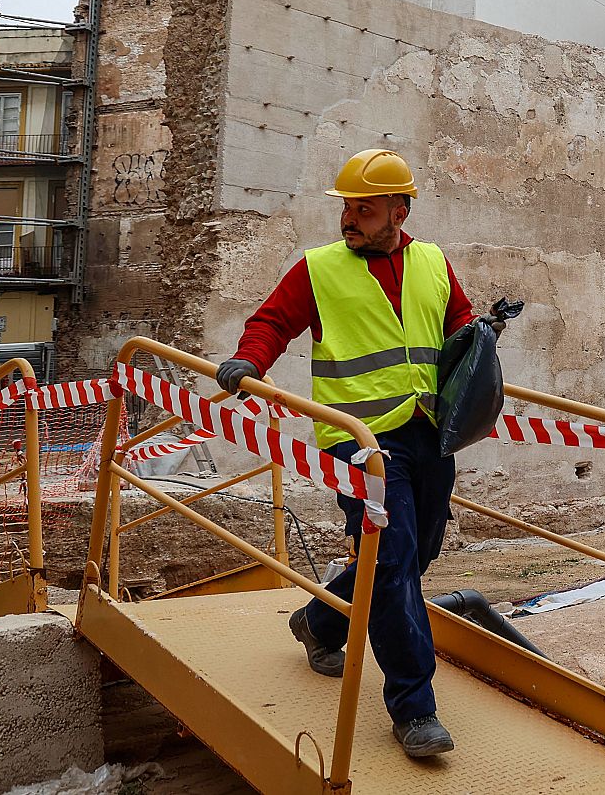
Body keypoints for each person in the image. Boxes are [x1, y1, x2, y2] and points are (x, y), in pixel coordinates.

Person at [215, 148, 475, 758]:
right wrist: (250, 360)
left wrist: (481, 342)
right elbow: (273, 321)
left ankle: (322, 620)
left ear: (399, 210)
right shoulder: (319, 269)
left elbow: (459, 325)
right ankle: (414, 708)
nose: (350, 218)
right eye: (346, 207)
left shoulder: (434, 263)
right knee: (391, 561)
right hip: (360, 442)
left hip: (428, 432)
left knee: (417, 553)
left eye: (364, 207)